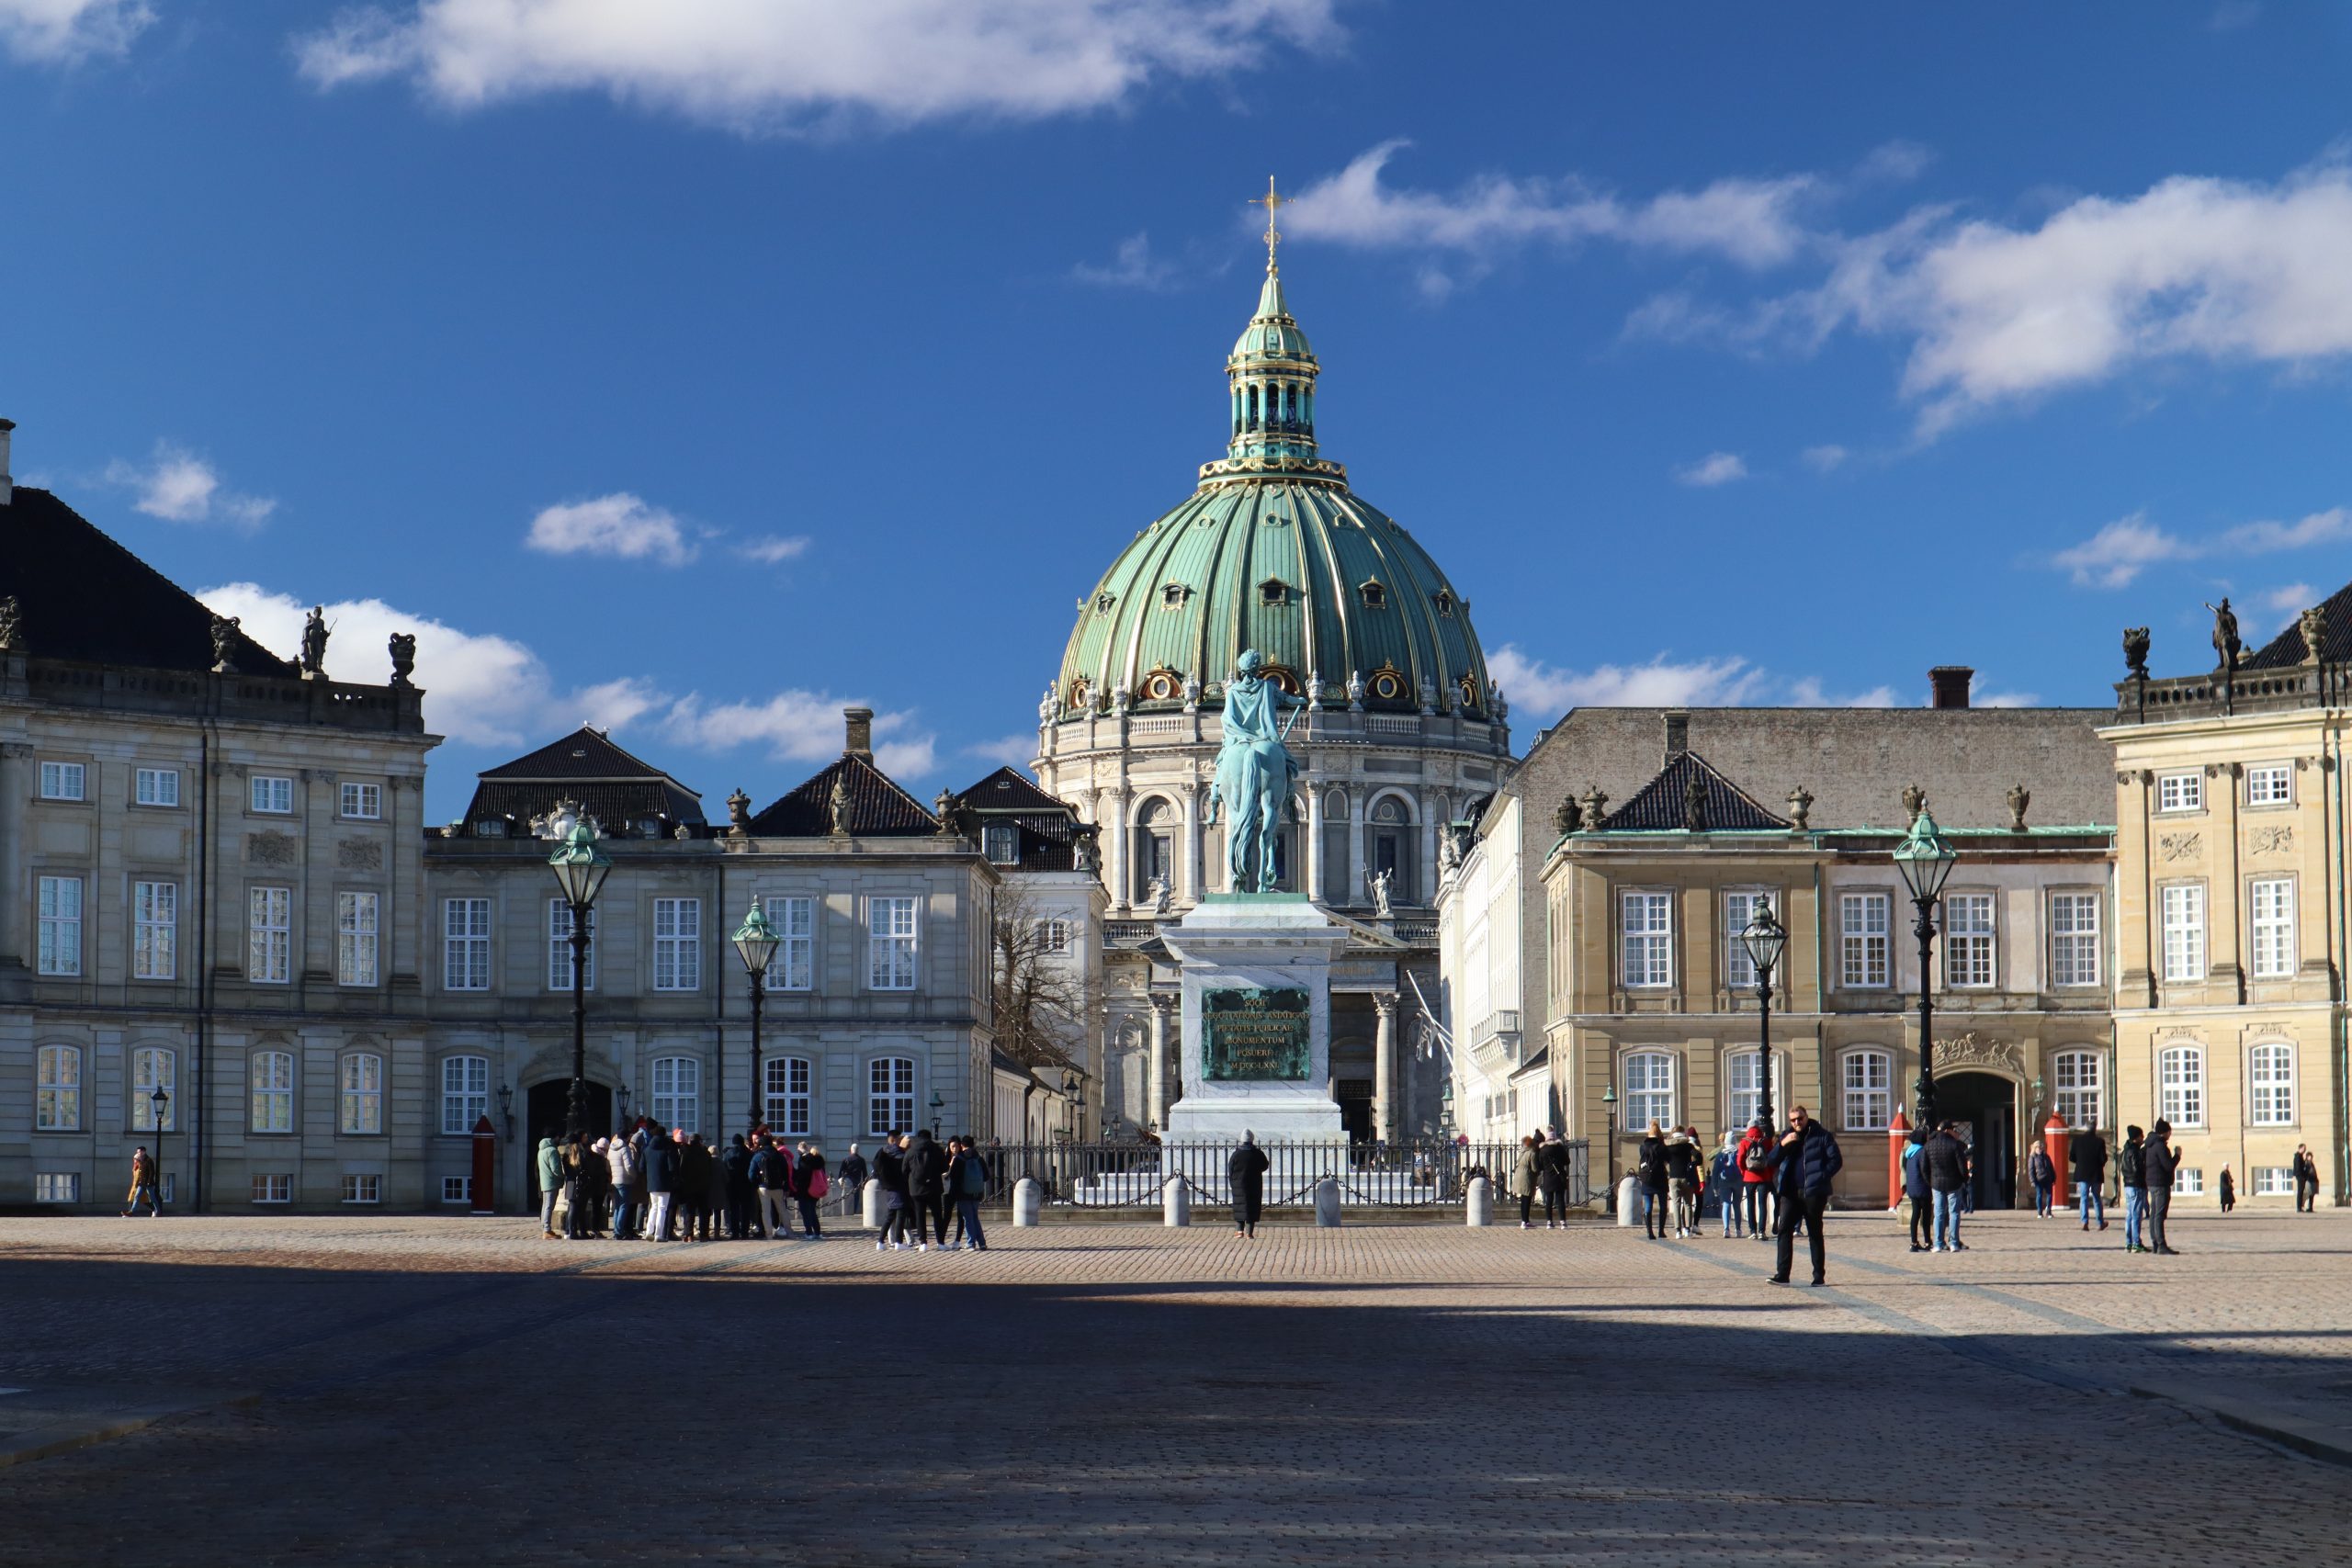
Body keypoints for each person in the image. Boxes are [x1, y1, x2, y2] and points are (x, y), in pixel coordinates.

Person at [1768, 1105, 1842, 1287]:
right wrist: (1783, 1144)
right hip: (1790, 1192)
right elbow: (1770, 1161)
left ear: (1806, 1117)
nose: (1797, 1122)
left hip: (1813, 1192)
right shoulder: (1787, 1136)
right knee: (1784, 1230)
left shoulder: (1822, 1135)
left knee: (1815, 1233)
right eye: (1793, 1120)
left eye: (1800, 1118)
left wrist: (1821, 1176)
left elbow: (1836, 1160)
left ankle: (1818, 1276)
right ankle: (1782, 1274)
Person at [1924, 1120, 1970, 1253]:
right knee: (1954, 1213)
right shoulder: (1955, 1145)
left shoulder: (1929, 1145)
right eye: (1953, 1130)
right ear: (1947, 1130)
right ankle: (1954, 1243)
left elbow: (1924, 1167)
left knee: (1938, 1213)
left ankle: (1938, 1243)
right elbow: (1962, 1166)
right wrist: (1964, 1179)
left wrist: (1930, 1182)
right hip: (1954, 1183)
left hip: (1936, 1183)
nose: (1956, 1132)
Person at [903, 1127, 950, 1249]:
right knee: (937, 1216)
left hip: (916, 1188)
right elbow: (945, 1168)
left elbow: (904, 1170)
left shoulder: (911, 1151)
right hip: (934, 1187)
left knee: (920, 1216)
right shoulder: (937, 1149)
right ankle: (940, 1242)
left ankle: (923, 1243)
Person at [946, 1136, 990, 1251]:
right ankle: (982, 1243)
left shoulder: (959, 1158)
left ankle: (970, 1243)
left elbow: (953, 1177)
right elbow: (986, 1176)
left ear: (962, 1145)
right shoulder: (978, 1158)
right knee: (975, 1217)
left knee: (968, 1218)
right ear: (973, 1144)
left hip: (963, 1193)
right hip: (977, 1193)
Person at [1736, 1117, 1777, 1242]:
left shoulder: (1744, 1141)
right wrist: (1769, 1174)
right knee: (1762, 1204)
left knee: (1750, 1203)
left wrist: (1744, 1172)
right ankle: (1762, 1231)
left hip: (1749, 1176)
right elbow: (1771, 1159)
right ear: (1759, 1128)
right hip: (1764, 1176)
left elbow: (1740, 1160)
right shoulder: (1766, 1140)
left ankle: (1752, 1231)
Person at [2144, 1119, 2180, 1256]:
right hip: (2160, 1183)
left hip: (2153, 1183)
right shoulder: (2160, 1146)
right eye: (2169, 1131)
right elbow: (2168, 1166)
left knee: (2154, 1214)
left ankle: (2155, 1242)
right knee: (2159, 1214)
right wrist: (2177, 1155)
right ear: (2164, 1132)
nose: (2170, 1134)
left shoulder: (2150, 1144)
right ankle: (2160, 1244)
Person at [874, 1133, 912, 1249]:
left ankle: (880, 1242)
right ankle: (899, 1242)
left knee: (890, 1216)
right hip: (899, 1187)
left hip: (889, 1188)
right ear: (895, 1140)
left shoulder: (884, 1152)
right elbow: (905, 1171)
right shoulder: (899, 1154)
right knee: (900, 1215)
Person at [1229, 1130, 1271, 1238]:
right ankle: (1249, 1232)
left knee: (1240, 1206)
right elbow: (1265, 1166)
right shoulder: (1257, 1153)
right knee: (1252, 1206)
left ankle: (1239, 1231)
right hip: (1254, 1183)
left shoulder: (1236, 1154)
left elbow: (1231, 1169)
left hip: (1239, 1183)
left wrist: (1233, 1181)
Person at [748, 1135, 789, 1238]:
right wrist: (786, 1186)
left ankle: (768, 1233)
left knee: (765, 1211)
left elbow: (751, 1174)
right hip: (778, 1186)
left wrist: (756, 1184)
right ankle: (786, 1230)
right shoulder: (780, 1155)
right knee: (781, 1210)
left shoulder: (758, 1156)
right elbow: (786, 1173)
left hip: (763, 1187)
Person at [1664, 1127, 1701, 1239]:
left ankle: (1678, 1231)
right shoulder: (1688, 1146)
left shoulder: (1668, 1147)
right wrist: (1694, 1164)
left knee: (1676, 1204)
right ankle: (1687, 1229)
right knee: (1688, 1204)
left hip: (1674, 1178)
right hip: (1687, 1177)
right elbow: (1698, 1156)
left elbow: (1664, 1161)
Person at [642, 1124, 677, 1241]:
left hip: (652, 1183)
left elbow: (641, 1168)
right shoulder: (667, 1149)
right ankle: (659, 1234)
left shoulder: (647, 1149)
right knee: (662, 1208)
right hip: (665, 1183)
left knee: (654, 1208)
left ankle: (649, 1231)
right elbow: (672, 1167)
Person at [1636, 1121, 1669, 1240]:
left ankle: (1650, 1232)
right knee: (1663, 1205)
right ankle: (1661, 1231)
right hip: (1660, 1177)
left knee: (1648, 1205)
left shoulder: (1643, 1147)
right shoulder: (1663, 1147)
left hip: (1647, 1178)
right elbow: (1667, 1160)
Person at [2072, 1124, 2108, 1232]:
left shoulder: (2077, 1140)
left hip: (2083, 1173)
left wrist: (2081, 1162)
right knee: (2097, 1198)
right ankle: (2100, 1222)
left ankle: (2084, 1222)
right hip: (2096, 1174)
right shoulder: (2100, 1141)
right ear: (2095, 1129)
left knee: (2084, 1198)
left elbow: (2072, 1157)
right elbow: (2103, 1159)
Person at [2119, 1124, 2149, 1254]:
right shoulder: (2134, 1151)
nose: (2143, 1138)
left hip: (2128, 1185)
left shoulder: (2125, 1150)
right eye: (2141, 1136)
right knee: (2136, 1215)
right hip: (2136, 1185)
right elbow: (2137, 1169)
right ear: (2136, 1138)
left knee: (2130, 1215)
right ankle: (2136, 1243)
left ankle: (2129, 1243)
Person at [605, 1132, 640, 1241]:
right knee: (624, 1206)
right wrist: (634, 1176)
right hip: (625, 1180)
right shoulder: (625, 1148)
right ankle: (619, 1231)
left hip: (615, 1180)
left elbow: (608, 1167)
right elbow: (629, 1166)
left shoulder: (611, 1149)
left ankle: (617, 1230)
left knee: (617, 1206)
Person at [1708, 1133, 1745, 1238]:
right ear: (1734, 1141)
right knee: (1737, 1205)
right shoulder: (1738, 1152)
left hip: (1724, 1182)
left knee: (1726, 1204)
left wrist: (1715, 1186)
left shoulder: (1721, 1154)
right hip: (1738, 1181)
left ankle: (1726, 1229)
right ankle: (1738, 1229)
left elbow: (1715, 1172)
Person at [1902, 1127, 1932, 1253]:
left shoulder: (1909, 1153)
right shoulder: (1922, 1152)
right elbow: (1925, 1170)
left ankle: (1913, 1242)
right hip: (1922, 1188)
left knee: (1915, 1214)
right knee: (1925, 1216)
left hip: (1912, 1188)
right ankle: (1927, 1241)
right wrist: (1930, 1182)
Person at [1538, 1129, 1571, 1231]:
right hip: (1559, 1176)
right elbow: (1567, 1161)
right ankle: (1563, 1222)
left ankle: (1549, 1222)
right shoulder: (1560, 1149)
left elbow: (1540, 1165)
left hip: (1548, 1177)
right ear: (1555, 1138)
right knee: (1560, 1200)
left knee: (1549, 1200)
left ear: (1547, 1139)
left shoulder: (1543, 1150)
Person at [724, 1134, 755, 1239]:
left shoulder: (728, 1153)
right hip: (746, 1184)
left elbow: (725, 1168)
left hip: (732, 1184)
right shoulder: (749, 1153)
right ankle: (745, 1232)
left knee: (734, 1209)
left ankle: (735, 1232)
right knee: (745, 1209)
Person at [535, 1134, 563, 1239]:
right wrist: (562, 1176)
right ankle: (546, 1229)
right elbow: (555, 1169)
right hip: (552, 1182)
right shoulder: (552, 1150)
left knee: (545, 1205)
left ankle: (545, 1227)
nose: (559, 1139)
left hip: (545, 1182)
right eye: (558, 1137)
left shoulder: (541, 1151)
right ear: (553, 1138)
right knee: (549, 1206)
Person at [122, 1145, 161, 1217]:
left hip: (149, 1183)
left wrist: (149, 1181)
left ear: (143, 1152)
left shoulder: (149, 1160)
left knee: (152, 1198)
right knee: (136, 1197)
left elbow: (152, 1172)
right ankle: (132, 1212)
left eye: (139, 1152)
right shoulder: (141, 1160)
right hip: (142, 1183)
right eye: (138, 1152)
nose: (138, 1153)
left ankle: (158, 1211)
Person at [1513, 1136, 1541, 1230]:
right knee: (1527, 1200)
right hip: (1527, 1177)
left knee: (1523, 1199)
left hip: (1519, 1175)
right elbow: (1534, 1168)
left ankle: (1524, 1220)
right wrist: (1539, 1171)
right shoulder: (1532, 1153)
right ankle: (1525, 1221)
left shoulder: (1522, 1151)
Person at [2029, 1144, 2056, 1218]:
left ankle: (2049, 1212)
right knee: (2039, 1195)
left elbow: (2051, 1167)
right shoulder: (2032, 1157)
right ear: (2035, 1148)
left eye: (2041, 1147)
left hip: (2048, 1178)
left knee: (2050, 1195)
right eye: (2038, 1147)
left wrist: (2054, 1178)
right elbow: (2031, 1170)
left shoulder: (2046, 1156)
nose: (2040, 1148)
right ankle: (2040, 1212)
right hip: (2038, 1179)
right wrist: (2032, 1181)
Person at [2292, 1144, 2320, 1213]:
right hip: (2301, 1177)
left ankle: (2301, 1207)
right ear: (2300, 1148)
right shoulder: (2298, 1156)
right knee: (2301, 1192)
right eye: (2304, 1149)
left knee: (2302, 1192)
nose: (2304, 1150)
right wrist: (2302, 1176)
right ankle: (2299, 1207)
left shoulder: (2300, 1156)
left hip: (2303, 1177)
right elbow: (2299, 1168)